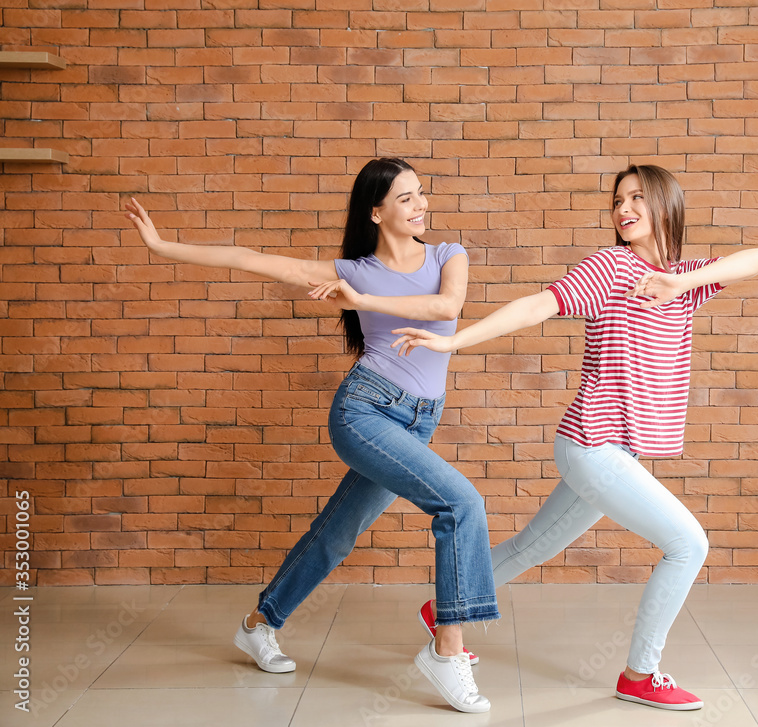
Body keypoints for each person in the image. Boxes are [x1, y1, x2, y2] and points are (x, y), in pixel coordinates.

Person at [124, 158, 498, 714]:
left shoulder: (448, 255)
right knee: (462, 503)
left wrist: (363, 302)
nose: (421, 205)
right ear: (376, 212)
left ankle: (259, 624)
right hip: (366, 413)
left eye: (422, 194)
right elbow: (248, 259)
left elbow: (447, 308)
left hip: (420, 417)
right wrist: (161, 247)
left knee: (337, 533)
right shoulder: (354, 269)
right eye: (405, 198)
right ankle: (447, 651)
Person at [392, 164, 758, 711]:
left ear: (667, 204)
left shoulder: (683, 281)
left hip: (609, 449)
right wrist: (454, 343)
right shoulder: (610, 267)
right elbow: (533, 307)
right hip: (593, 443)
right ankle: (641, 675)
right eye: (619, 199)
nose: (624, 209)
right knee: (688, 545)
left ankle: (444, 607)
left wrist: (679, 281)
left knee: (534, 545)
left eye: (638, 198)